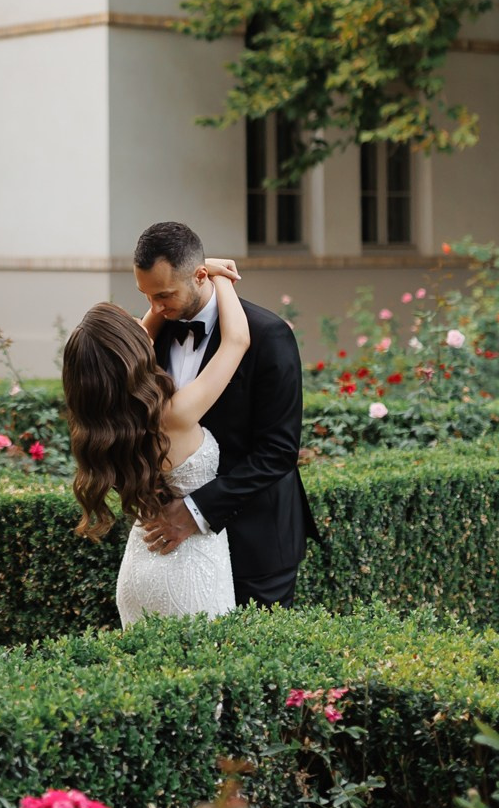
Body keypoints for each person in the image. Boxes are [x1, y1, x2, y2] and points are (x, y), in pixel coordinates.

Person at [129, 219, 314, 609]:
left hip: (257, 543)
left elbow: (278, 451)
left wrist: (195, 511)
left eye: (164, 295)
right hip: (175, 547)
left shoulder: (268, 335)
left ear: (200, 276)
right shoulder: (154, 333)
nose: (155, 308)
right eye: (147, 297)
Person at [62, 257, 251, 625]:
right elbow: (237, 340)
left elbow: (136, 343)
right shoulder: (175, 415)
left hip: (139, 569)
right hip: (189, 575)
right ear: (129, 352)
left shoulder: (105, 425)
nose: (144, 320)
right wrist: (215, 277)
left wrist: (192, 272)